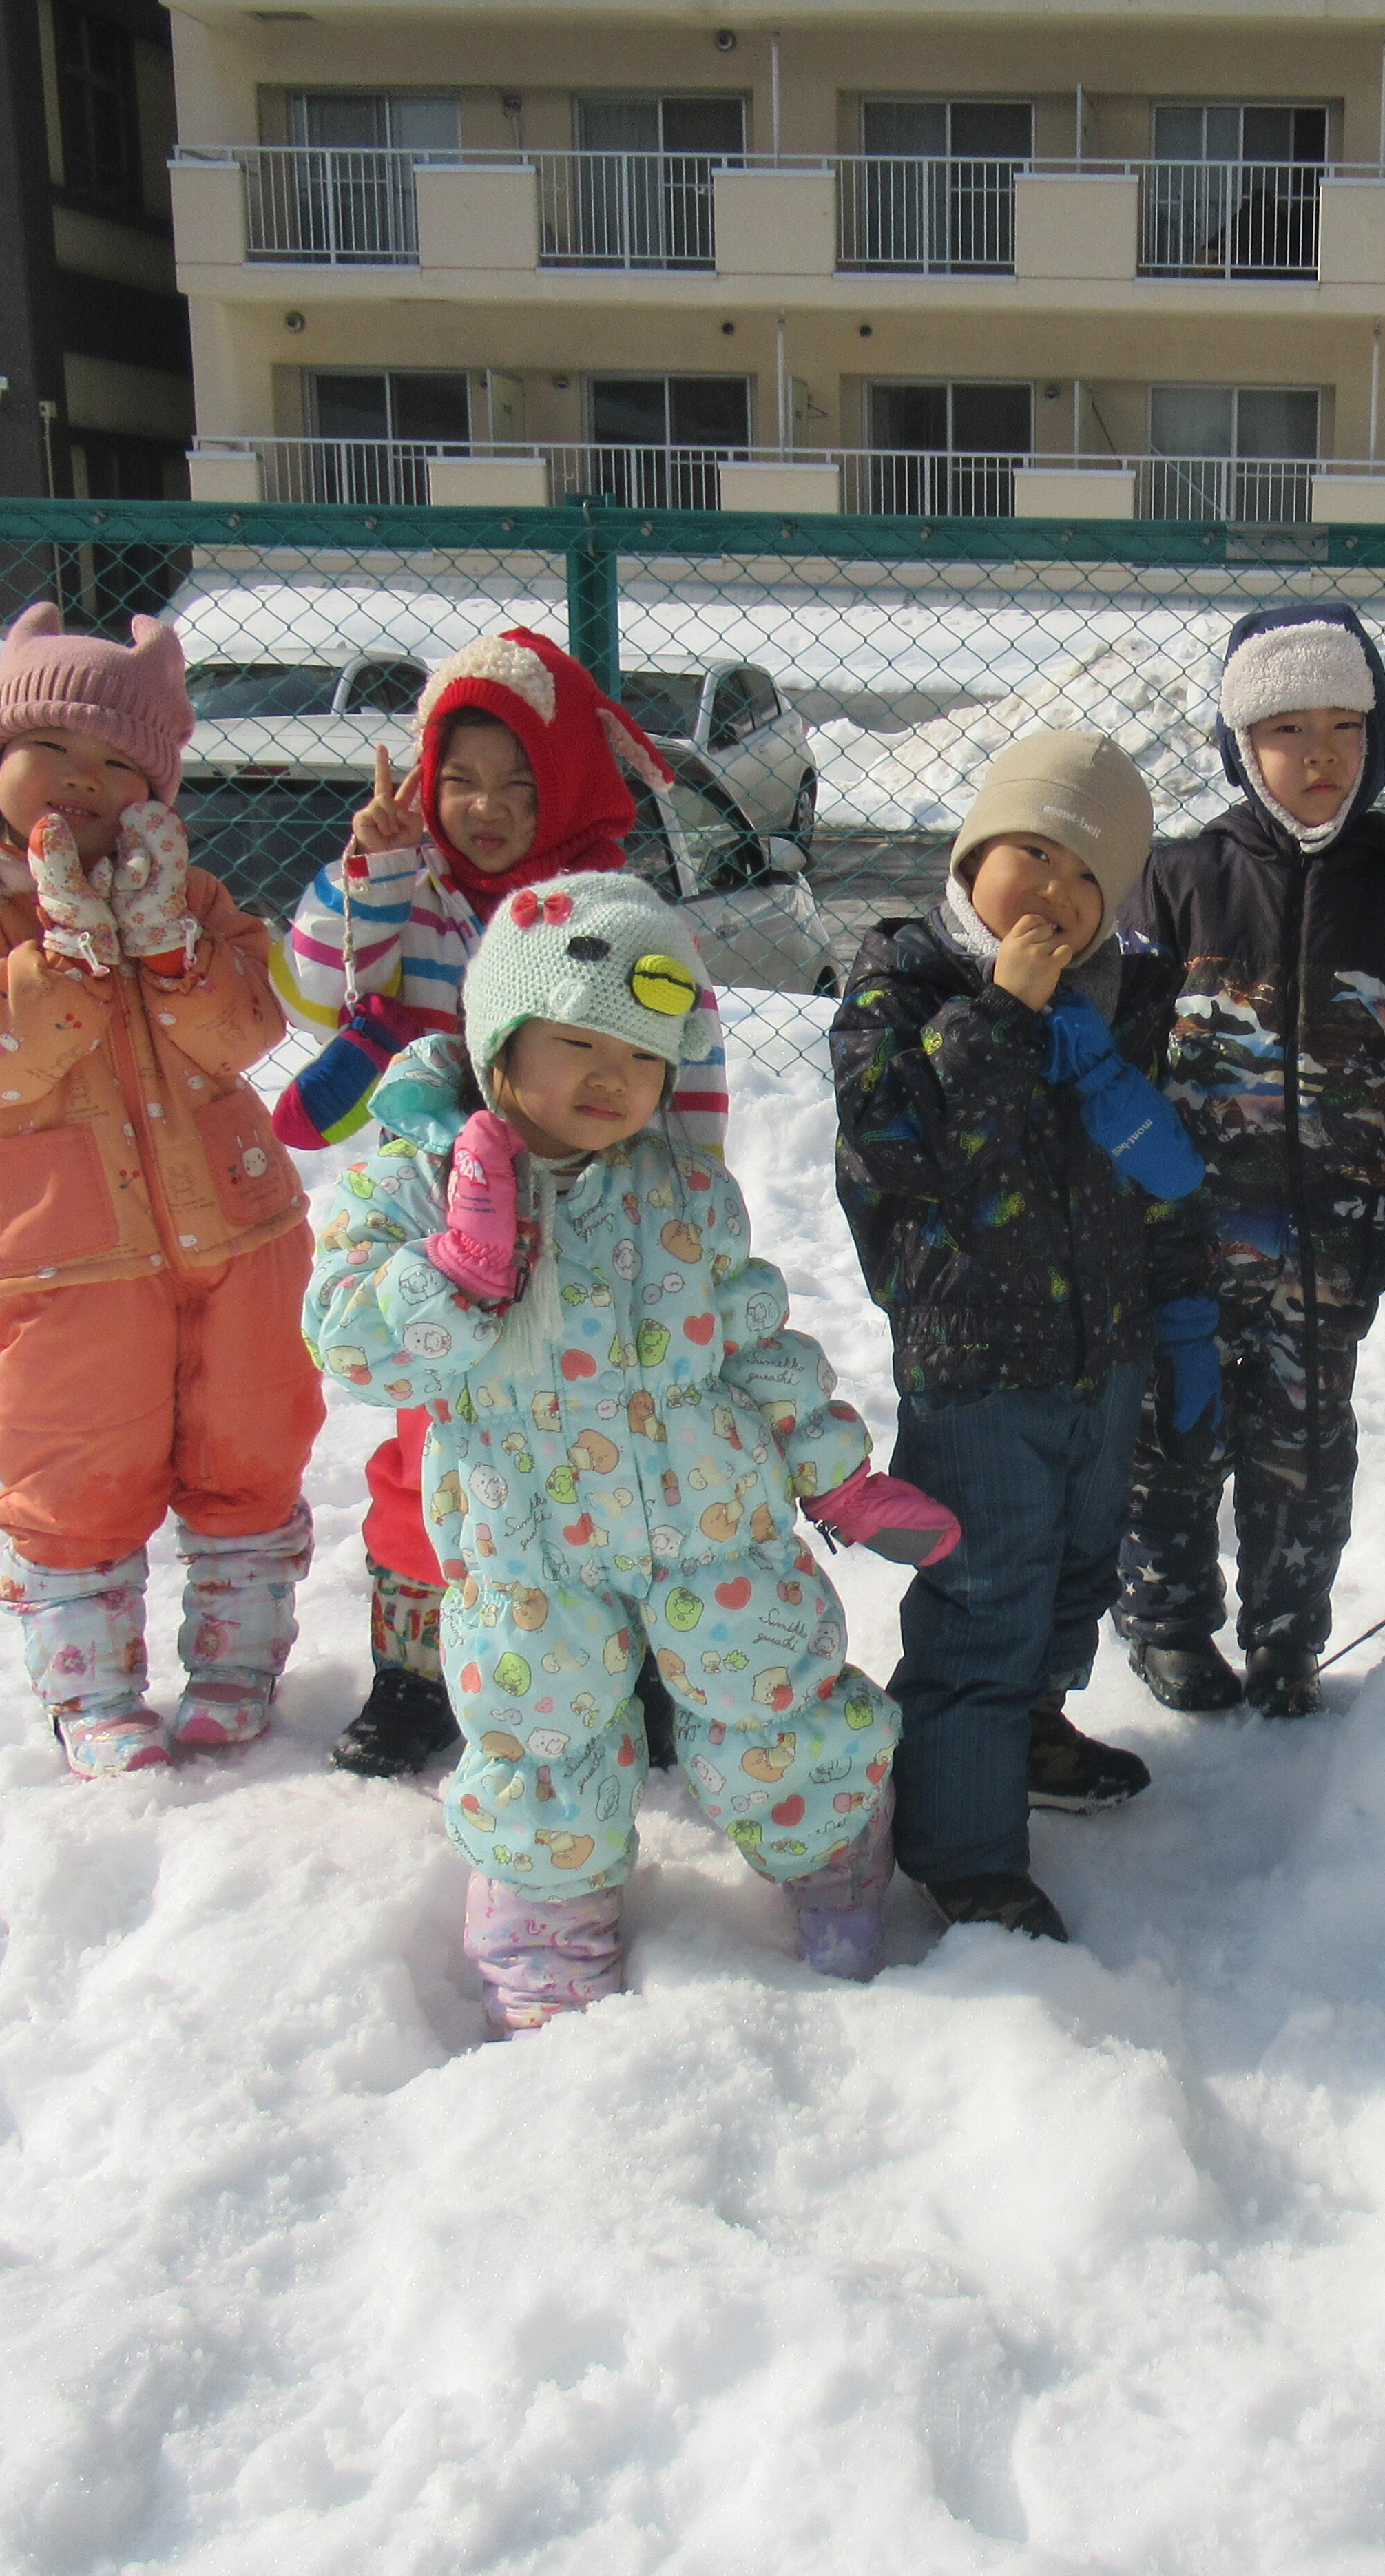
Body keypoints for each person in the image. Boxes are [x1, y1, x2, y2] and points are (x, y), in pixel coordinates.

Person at [304, 873, 945, 2024]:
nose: (611, 1077)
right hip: (529, 1542)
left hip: (714, 1519)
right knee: (540, 1729)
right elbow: (352, 1345)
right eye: (575, 1041)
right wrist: (453, 1269)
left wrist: (833, 1469)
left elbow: (755, 1338)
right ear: (499, 1038)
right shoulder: (409, 1177)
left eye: (641, 1055)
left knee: (772, 1692)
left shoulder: (683, 1189)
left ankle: (833, 1858)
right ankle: (542, 1925)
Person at [0, 602, 324, 1778]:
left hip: (235, 1231)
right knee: (78, 1462)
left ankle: (237, 1662)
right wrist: (61, 951)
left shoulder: (188, 892)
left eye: (120, 762)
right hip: (60, 1255)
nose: (84, 781)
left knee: (253, 1438)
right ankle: (92, 1689)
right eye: (53, 753)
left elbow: (244, 1029)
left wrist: (169, 943)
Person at [267, 630, 722, 1783]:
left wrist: (683, 1202)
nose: (485, 806)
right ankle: (416, 1671)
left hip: (596, 1229)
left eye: (520, 783)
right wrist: (366, 867)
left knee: (616, 1455)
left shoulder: (609, 909)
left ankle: (628, 1666)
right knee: (431, 1457)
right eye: (459, 778)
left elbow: (687, 1057)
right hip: (445, 1236)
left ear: (566, 784)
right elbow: (319, 983)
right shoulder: (407, 897)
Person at [830, 733, 1215, 1944]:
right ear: (972, 852)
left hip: (1096, 1353)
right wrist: (1003, 1010)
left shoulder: (1123, 1000)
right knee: (985, 1592)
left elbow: (1149, 1176)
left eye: (1084, 876)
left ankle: (1028, 1731)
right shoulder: (905, 984)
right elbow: (907, 1140)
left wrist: (1178, 1317)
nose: (1050, 893)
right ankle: (962, 1845)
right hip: (974, 1366)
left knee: (1072, 1571)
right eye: (1030, 854)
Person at [1118, 605, 1385, 1716]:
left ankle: (1284, 1636)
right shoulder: (1176, 880)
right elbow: (1121, 1058)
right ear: (1237, 745)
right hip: (1185, 1245)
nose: (1319, 755)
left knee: (1305, 1448)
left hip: (1330, 1249)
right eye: (1284, 729)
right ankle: (1169, 1622)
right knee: (1173, 1435)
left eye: (1344, 726)